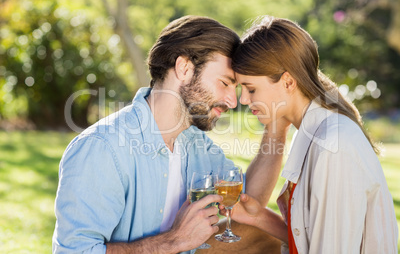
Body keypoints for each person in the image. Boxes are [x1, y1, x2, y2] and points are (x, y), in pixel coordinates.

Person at [52, 15, 288, 253]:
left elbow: (245, 203)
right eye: (225, 83)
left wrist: (278, 126)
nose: (232, 101)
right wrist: (174, 241)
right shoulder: (102, 148)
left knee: (265, 238)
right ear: (184, 68)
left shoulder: (195, 144)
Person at [223, 15, 399, 253]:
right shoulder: (312, 132)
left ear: (287, 82)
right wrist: (259, 218)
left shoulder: (333, 146)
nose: (242, 100)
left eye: (251, 89)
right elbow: (314, 239)